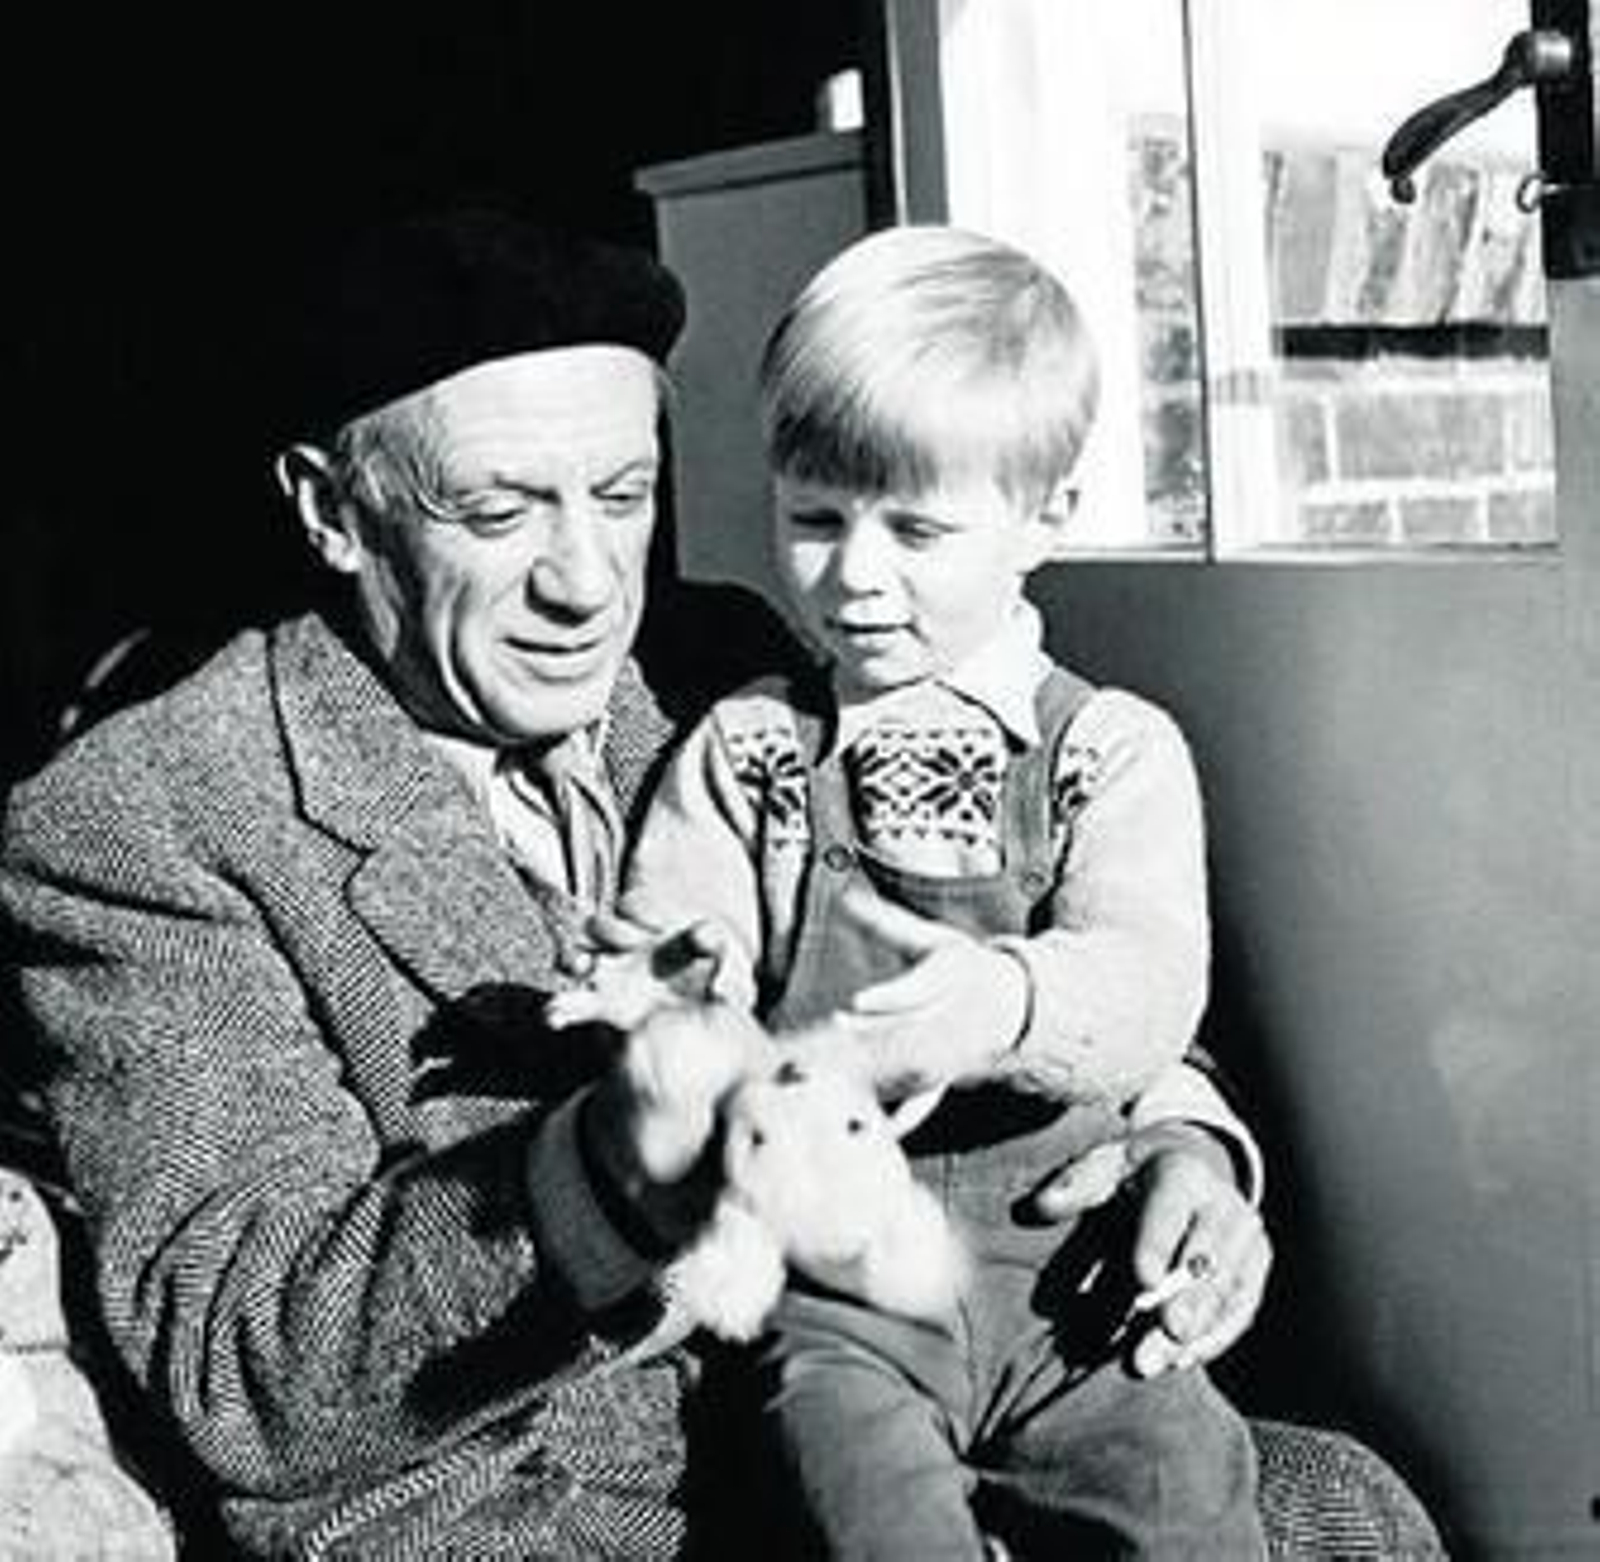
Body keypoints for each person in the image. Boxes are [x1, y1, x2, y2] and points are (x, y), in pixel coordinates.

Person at [0, 207, 1269, 1558]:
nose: (589, 583)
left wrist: (1178, 1141)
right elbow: (254, 1366)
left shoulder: (727, 659)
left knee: (1335, 1501)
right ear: (332, 510)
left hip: (910, 1383)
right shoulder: (146, 814)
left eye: (622, 494)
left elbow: (1019, 920)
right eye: (497, 511)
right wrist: (610, 1167)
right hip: (532, 1502)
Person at [617, 223, 1263, 1557]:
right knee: (857, 1507)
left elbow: (1150, 984)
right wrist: (693, 990)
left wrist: (1003, 1001)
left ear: (1048, 519)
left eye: (916, 528)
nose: (854, 573)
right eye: (814, 516)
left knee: (1191, 1497)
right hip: (842, 1288)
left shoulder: (1109, 750)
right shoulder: (747, 745)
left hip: (1072, 1291)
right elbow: (675, 936)